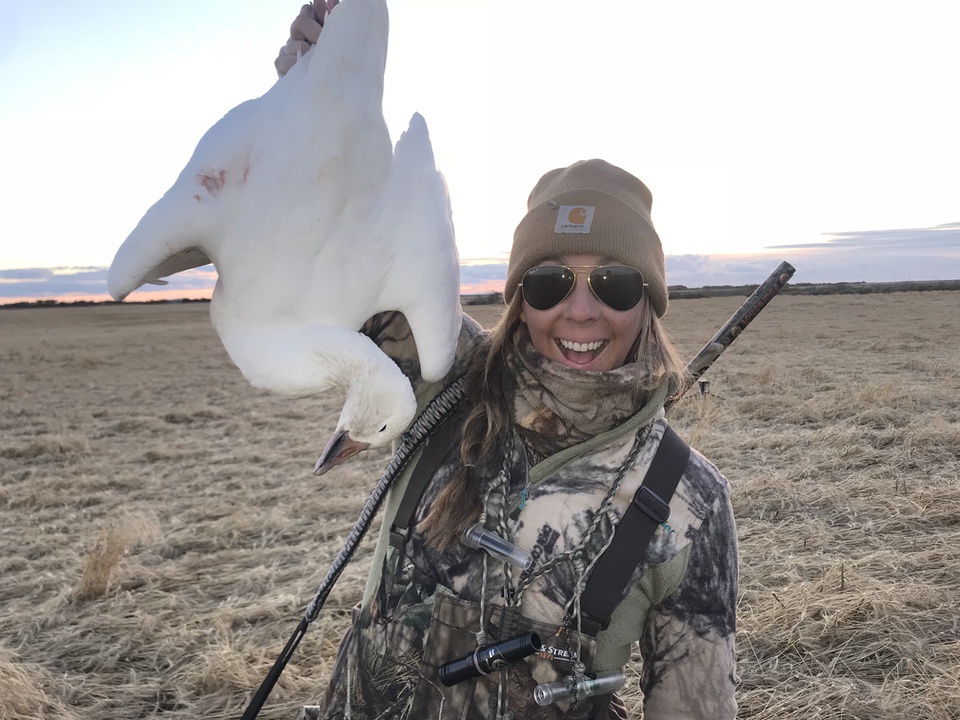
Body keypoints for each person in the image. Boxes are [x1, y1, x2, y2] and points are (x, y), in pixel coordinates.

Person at [275, 9, 738, 719]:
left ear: (650, 301)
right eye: (551, 283)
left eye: (612, 284)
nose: (580, 312)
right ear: (520, 297)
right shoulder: (442, 373)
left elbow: (695, 707)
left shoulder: (691, 501)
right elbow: (350, 249)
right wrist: (318, 109)